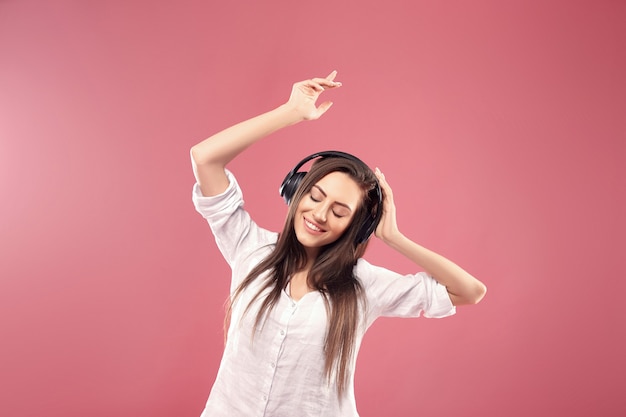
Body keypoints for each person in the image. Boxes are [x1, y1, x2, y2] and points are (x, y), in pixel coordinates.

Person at [190, 70, 487, 417]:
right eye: (314, 196)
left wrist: (394, 238)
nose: (319, 214)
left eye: (339, 211)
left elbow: (470, 291)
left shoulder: (363, 284)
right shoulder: (250, 247)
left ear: (356, 227)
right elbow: (204, 157)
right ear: (295, 191)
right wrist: (290, 112)